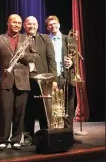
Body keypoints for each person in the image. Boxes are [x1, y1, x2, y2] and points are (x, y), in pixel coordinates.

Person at [0, 14, 35, 151]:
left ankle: (16, 140)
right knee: (5, 111)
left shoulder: (27, 38)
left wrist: (24, 55)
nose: (16, 25)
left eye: (19, 23)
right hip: (5, 79)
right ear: (8, 23)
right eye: (14, 22)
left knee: (20, 112)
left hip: (22, 80)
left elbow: (34, 56)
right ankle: (3, 139)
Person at [45, 15, 82, 143]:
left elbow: (76, 58)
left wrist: (71, 62)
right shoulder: (46, 40)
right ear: (47, 27)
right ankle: (56, 135)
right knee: (54, 109)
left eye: (55, 24)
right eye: (50, 25)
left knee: (69, 108)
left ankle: (68, 135)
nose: (53, 26)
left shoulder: (69, 39)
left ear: (59, 25)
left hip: (66, 76)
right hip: (53, 78)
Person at [22, 16, 57, 146]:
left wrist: (53, 79)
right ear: (25, 26)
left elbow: (51, 60)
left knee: (44, 109)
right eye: (29, 24)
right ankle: (28, 136)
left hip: (44, 80)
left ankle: (45, 134)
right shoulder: (20, 39)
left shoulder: (45, 38)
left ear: (37, 25)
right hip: (26, 79)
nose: (32, 26)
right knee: (28, 109)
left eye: (34, 24)